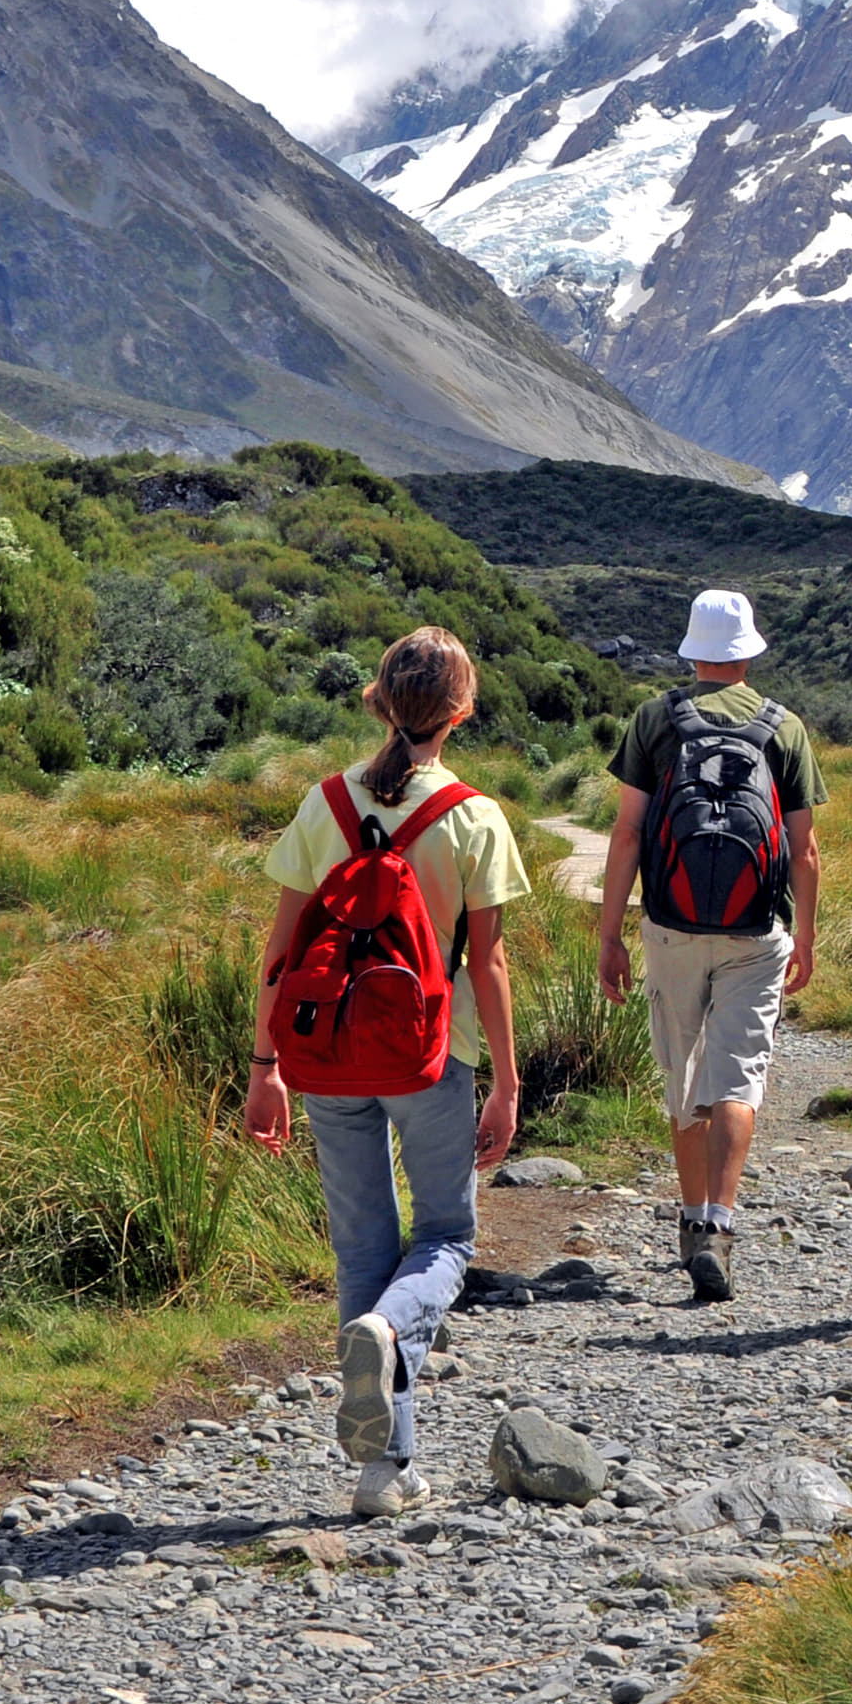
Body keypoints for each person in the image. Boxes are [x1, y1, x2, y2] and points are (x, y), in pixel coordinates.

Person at [245, 626, 528, 1515]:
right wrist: (507, 1082)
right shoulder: (474, 816)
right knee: (446, 1236)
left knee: (364, 1246)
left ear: (377, 702)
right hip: (432, 1059)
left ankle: (385, 1467)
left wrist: (264, 1066)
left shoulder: (323, 803)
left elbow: (281, 952)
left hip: (326, 1056)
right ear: (461, 712)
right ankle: (388, 1339)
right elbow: (488, 965)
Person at [596, 586, 823, 1303]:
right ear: (748, 653)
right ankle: (721, 1225)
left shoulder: (654, 718)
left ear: (693, 652)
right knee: (737, 1076)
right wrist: (805, 936)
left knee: (683, 1072)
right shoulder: (784, 728)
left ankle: (691, 1218)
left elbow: (628, 833)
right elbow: (803, 849)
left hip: (671, 926)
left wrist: (610, 934)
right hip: (756, 932)